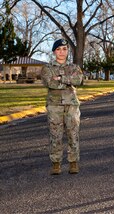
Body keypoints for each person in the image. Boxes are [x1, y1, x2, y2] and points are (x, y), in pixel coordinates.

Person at [41, 39, 83, 175]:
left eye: (64, 49)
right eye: (58, 49)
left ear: (67, 51)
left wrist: (60, 79)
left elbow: (79, 80)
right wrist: (68, 80)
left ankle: (73, 162)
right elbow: (49, 83)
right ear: (54, 52)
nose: (61, 52)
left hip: (72, 105)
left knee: (73, 134)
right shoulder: (47, 68)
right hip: (54, 106)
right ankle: (56, 163)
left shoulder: (74, 67)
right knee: (55, 135)